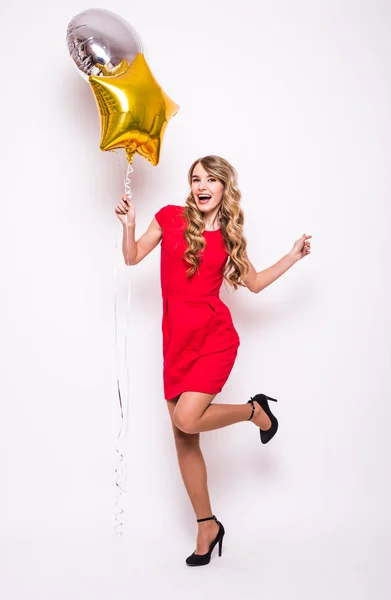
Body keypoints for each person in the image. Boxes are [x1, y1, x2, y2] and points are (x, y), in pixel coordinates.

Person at [114, 155, 311, 566]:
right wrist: (129, 224)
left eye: (209, 179)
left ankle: (253, 410)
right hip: (175, 343)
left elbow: (253, 283)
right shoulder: (168, 218)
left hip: (214, 340)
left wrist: (292, 256)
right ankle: (207, 525)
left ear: (224, 187)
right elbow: (132, 258)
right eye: (195, 178)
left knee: (186, 417)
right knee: (184, 438)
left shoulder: (228, 240)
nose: (200, 185)